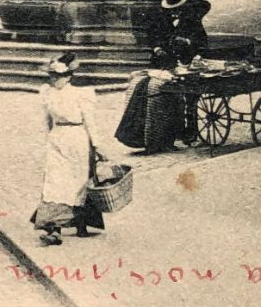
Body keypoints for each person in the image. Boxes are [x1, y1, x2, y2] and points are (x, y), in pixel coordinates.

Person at [31, 54, 107, 247]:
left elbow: (90, 120)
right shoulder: (47, 93)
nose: (55, 80)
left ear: (68, 76)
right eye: (52, 76)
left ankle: (81, 224)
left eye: (59, 77)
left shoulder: (81, 94)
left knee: (78, 181)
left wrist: (97, 145)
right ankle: (53, 229)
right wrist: (49, 138)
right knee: (54, 180)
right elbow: (47, 119)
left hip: (77, 137)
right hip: (58, 138)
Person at [113, 48, 195, 152]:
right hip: (159, 81)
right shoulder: (160, 72)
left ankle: (161, 140)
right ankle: (159, 141)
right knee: (163, 110)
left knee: (165, 109)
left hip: (162, 75)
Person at [148, 0, 209, 65]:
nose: (174, 10)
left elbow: (202, 39)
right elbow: (153, 37)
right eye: (171, 9)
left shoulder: (192, 19)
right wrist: (157, 49)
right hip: (165, 59)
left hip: (187, 58)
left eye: (178, 8)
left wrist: (187, 41)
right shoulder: (161, 20)